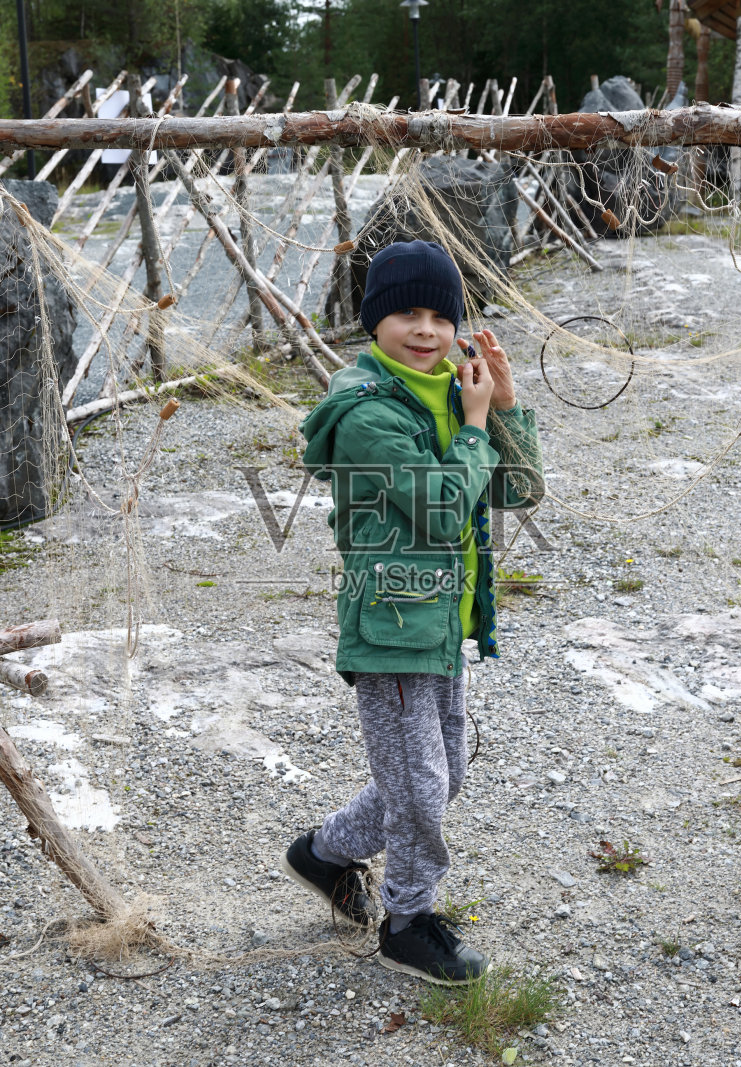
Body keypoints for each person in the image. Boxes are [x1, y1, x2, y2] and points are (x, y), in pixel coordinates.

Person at [284, 239, 544, 985]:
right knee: (422, 786)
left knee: (442, 773)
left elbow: (518, 492)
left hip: (442, 627)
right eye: (406, 313)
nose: (425, 329)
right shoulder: (366, 414)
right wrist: (470, 427)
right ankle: (406, 920)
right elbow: (439, 509)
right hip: (393, 629)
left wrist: (504, 407)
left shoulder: (450, 391)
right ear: (374, 321)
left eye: (440, 314)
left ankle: (326, 851)